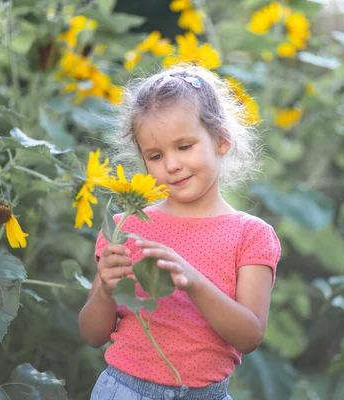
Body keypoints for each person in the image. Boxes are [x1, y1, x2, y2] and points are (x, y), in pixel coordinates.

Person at [78, 64, 281, 400]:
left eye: (184, 147)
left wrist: (194, 282)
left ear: (221, 141)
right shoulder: (125, 227)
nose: (171, 165)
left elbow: (250, 336)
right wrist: (105, 292)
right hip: (124, 390)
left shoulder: (251, 235)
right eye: (156, 156)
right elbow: (91, 334)